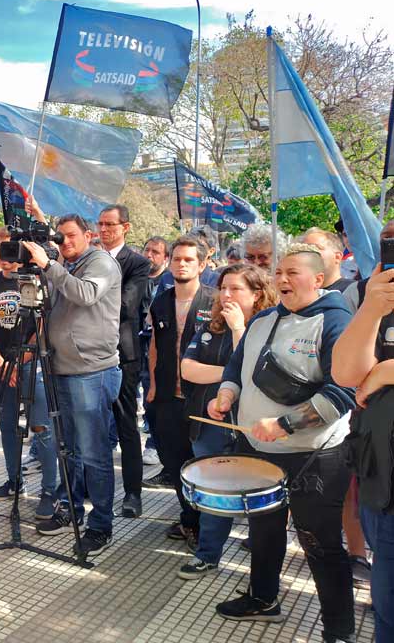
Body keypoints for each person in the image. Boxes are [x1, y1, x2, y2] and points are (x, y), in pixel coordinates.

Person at [208, 244, 355, 641]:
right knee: (263, 529)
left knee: (319, 543)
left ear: (319, 279)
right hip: (258, 450)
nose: (282, 279)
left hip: (315, 456)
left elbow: (344, 390)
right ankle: (263, 598)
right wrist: (226, 394)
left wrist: (287, 424)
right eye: (279, 272)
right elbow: (237, 367)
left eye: (293, 272)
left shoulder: (336, 321)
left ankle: (339, 629)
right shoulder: (263, 320)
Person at [20, 199, 122, 555]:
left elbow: (86, 294)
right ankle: (71, 508)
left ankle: (100, 524)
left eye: (71, 236)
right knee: (70, 449)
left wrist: (49, 264)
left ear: (89, 235)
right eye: (59, 238)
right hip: (60, 368)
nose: (64, 243)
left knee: (93, 452)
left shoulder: (101, 262)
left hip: (91, 372)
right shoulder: (66, 261)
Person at [176, 264, 277, 579]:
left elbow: (255, 372)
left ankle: (262, 568)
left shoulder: (271, 326)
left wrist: (238, 331)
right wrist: (229, 376)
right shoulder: (211, 326)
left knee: (260, 491)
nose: (226, 295)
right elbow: (188, 369)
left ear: (257, 294)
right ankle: (208, 554)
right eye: (223, 288)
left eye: (236, 289)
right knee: (213, 489)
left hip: (254, 427)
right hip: (209, 422)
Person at [333, 259, 394, 641]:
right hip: (382, 481)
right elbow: (345, 373)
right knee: (386, 608)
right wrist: (373, 308)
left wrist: (387, 372)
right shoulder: (375, 299)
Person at [0, 235, 58, 519]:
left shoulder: (37, 280)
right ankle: (14, 480)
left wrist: (18, 361)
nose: (7, 255)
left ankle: (50, 489)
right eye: (2, 249)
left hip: (30, 364)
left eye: (13, 250)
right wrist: (0, 361)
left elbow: (45, 324)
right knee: (8, 426)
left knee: (40, 427)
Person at [146, 237, 215, 549]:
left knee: (201, 464)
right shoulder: (161, 301)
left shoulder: (214, 302)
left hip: (203, 400)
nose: (182, 264)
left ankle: (202, 525)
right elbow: (155, 347)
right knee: (173, 462)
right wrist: (152, 385)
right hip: (166, 399)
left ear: (201, 264)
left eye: (189, 259)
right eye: (177, 259)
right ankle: (189, 517)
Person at [97, 205, 150, 518]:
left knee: (126, 425)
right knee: (91, 425)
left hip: (122, 353)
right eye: (101, 224)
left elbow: (127, 306)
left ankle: (133, 492)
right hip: (88, 353)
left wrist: (87, 297)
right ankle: (92, 484)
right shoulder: (89, 258)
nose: (105, 230)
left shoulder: (137, 263)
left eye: (110, 224)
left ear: (125, 227)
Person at [140, 236, 169, 469]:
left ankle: (154, 444)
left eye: (156, 252)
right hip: (133, 345)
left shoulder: (168, 283)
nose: (150, 255)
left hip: (156, 346)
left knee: (153, 396)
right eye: (147, 250)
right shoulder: (137, 276)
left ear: (165, 258)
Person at [299, 227, 353, 293]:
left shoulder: (355, 291)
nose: (308, 254)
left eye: (315, 248)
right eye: (304, 250)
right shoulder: (298, 294)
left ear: (337, 257)